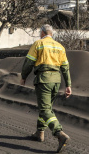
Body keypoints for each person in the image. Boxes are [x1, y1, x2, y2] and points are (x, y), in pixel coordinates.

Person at [20, 24, 72, 153]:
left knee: (44, 109)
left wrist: (23, 76)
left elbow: (29, 62)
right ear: (52, 34)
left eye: (40, 32)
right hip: (56, 80)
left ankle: (59, 134)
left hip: (44, 79)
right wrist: (68, 85)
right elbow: (65, 67)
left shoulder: (39, 43)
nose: (39, 34)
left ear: (43, 33)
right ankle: (39, 132)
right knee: (47, 108)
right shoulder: (60, 47)